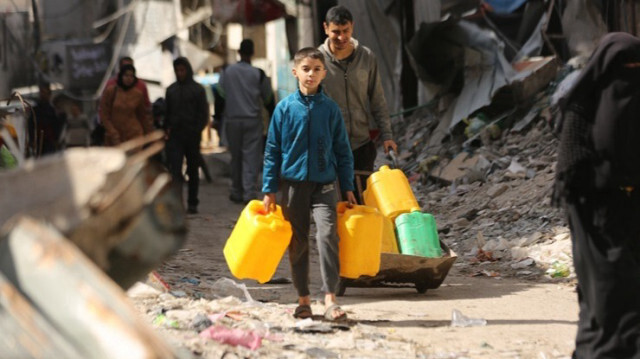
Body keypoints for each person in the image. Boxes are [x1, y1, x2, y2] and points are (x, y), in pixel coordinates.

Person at [554, 32, 640, 357]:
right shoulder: (581, 108)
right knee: (605, 292)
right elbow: (569, 171)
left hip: (632, 214)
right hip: (593, 216)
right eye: (625, 67)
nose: (632, 73)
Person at [262, 47, 357, 321]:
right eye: (305, 69)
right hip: (292, 188)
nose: (311, 74)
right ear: (295, 72)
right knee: (298, 242)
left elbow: (343, 150)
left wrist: (347, 185)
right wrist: (269, 188)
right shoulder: (284, 109)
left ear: (324, 73)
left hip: (324, 185)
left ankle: (330, 299)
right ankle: (303, 299)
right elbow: (272, 150)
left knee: (328, 236)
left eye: (317, 69)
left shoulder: (330, 109)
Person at [318, 5, 398, 199]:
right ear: (326, 28)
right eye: (335, 32)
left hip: (362, 145)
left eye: (346, 31)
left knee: (362, 201)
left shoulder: (367, 57)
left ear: (352, 27)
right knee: (338, 205)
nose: (341, 37)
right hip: (331, 146)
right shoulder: (316, 61)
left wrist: (387, 135)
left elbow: (377, 99)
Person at [218, 39, 275, 204]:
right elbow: (268, 98)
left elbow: (220, 97)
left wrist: (217, 118)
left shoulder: (227, 71)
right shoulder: (258, 73)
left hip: (232, 120)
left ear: (239, 52)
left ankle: (236, 191)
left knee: (235, 157)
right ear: (252, 52)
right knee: (251, 158)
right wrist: (273, 118)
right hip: (252, 121)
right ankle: (248, 193)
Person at [164, 57, 210, 214]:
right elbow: (167, 114)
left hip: (192, 136)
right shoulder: (171, 90)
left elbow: (203, 114)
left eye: (182, 70)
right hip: (175, 137)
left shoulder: (197, 90)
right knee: (175, 171)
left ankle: (192, 203)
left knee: (192, 170)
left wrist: (197, 130)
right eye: (177, 70)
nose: (180, 73)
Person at [99, 64, 154, 146]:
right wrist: (112, 131)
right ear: (121, 76)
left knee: (134, 158)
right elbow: (104, 113)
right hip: (114, 137)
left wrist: (150, 136)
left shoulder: (137, 94)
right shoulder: (111, 92)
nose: (129, 78)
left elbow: (142, 116)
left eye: (132, 76)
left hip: (134, 135)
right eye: (126, 75)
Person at [27, 83, 65, 156]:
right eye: (41, 92)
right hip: (38, 141)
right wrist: (32, 140)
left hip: (49, 142)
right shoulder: (35, 110)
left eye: (45, 93)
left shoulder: (52, 110)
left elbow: (56, 125)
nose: (43, 95)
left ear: (49, 95)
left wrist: (56, 139)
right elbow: (31, 124)